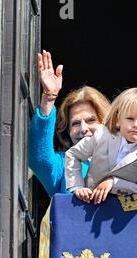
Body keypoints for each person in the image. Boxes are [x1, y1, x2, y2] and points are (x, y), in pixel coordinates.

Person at [29, 50, 111, 197]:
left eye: (91, 120)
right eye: (75, 124)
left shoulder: (126, 159)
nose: (83, 129)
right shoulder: (64, 164)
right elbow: (39, 160)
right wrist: (49, 98)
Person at [65, 88, 137, 204]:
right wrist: (77, 186)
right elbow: (73, 154)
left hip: (123, 213)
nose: (136, 125)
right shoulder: (101, 134)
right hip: (88, 204)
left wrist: (113, 183)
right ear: (118, 120)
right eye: (130, 119)